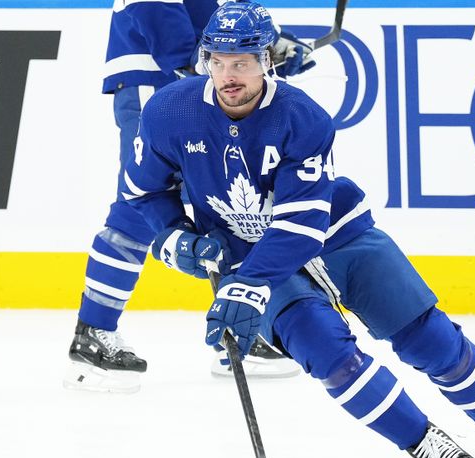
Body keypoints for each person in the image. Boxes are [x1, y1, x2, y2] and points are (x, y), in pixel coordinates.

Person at [123, 0, 475, 458]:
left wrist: (246, 285)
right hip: (247, 254)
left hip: (335, 235)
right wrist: (176, 241)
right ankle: (424, 440)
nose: (229, 76)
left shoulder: (303, 117)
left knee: (426, 334)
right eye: (219, 62)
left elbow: (301, 222)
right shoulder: (168, 111)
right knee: (329, 354)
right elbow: (145, 192)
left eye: (243, 63)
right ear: (205, 59)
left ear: (267, 60)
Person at [66, 0, 316, 393]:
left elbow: (218, 16)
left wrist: (271, 50)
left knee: (228, 197)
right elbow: (162, 26)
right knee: (140, 201)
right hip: (157, 79)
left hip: (195, 80)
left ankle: (236, 328)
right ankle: (92, 334)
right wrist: (234, 62)